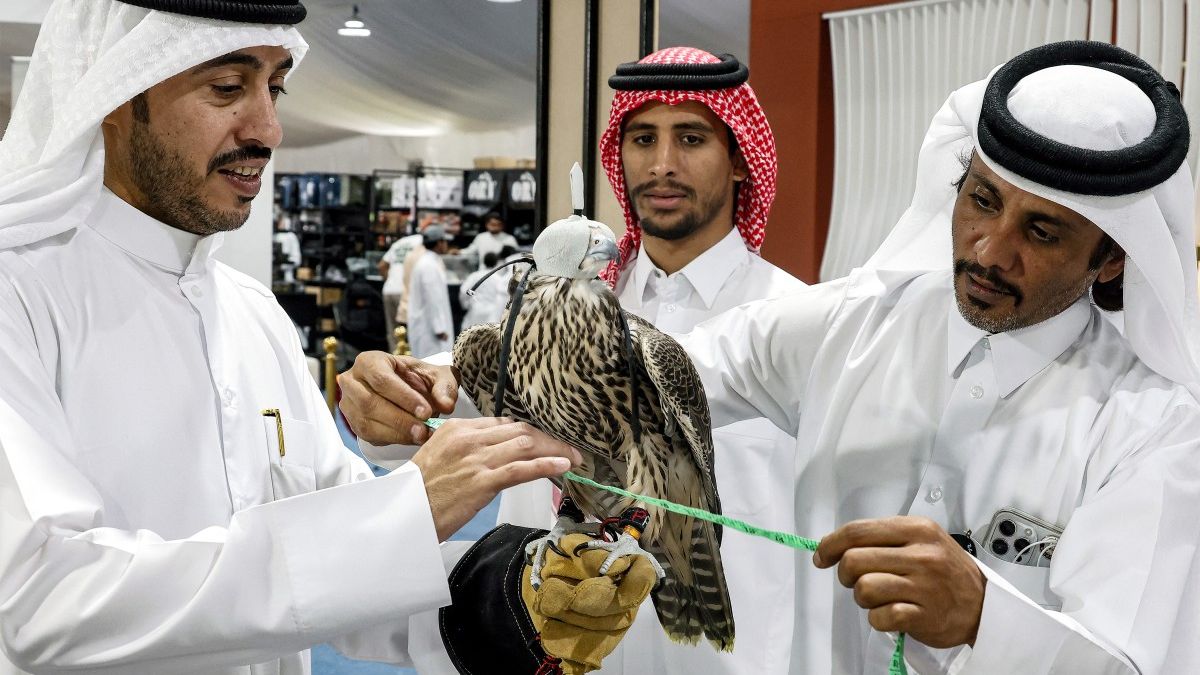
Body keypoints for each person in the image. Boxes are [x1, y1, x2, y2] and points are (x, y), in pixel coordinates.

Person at [336, 40, 1200, 674]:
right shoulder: (850, 325)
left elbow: (1129, 659)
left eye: (1040, 231)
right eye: (979, 200)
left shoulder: (1155, 429)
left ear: (1113, 254)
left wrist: (986, 618)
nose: (987, 247)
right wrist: (443, 382)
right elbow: (640, 373)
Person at [0, 1, 595, 672]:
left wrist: (515, 596)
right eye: (227, 88)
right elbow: (42, 598)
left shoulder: (253, 313)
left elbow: (337, 570)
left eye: (275, 86)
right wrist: (400, 515)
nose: (269, 129)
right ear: (112, 91)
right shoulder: (17, 296)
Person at [342, 47, 805, 675]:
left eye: (691, 137)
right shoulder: (537, 316)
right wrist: (389, 401)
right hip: (548, 652)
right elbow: (439, 405)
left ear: (741, 160)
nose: (663, 164)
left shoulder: (800, 322)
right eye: (643, 138)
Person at [406, 224, 455, 357]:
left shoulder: (428, 262)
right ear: (439, 243)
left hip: (427, 325)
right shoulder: (429, 266)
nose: (446, 245)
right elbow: (433, 298)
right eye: (445, 241)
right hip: (430, 329)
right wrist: (439, 328)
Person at [379, 231, 423, 351]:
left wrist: (391, 280)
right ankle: (412, 362)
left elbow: (382, 266)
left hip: (389, 290)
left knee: (394, 331)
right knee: (412, 330)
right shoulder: (422, 242)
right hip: (407, 292)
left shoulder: (398, 243)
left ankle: (394, 362)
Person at [459, 247, 517, 331]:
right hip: (492, 315)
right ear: (496, 262)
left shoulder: (474, 276)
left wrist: (465, 304)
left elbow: (464, 291)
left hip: (476, 311)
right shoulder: (499, 279)